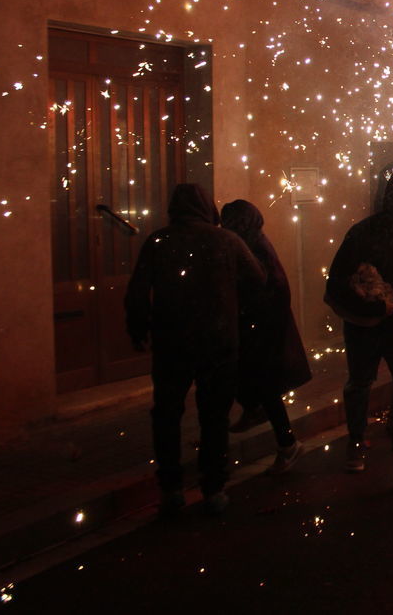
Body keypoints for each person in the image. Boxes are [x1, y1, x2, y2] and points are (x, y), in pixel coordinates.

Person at [125, 183, 265, 516]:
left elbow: (137, 291)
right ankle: (213, 487)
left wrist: (138, 328)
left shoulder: (159, 242)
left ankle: (171, 488)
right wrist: (237, 313)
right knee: (214, 416)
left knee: (167, 415)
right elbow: (257, 281)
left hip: (171, 340)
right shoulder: (226, 241)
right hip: (218, 340)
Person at [324, 173, 393, 499]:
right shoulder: (364, 234)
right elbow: (336, 283)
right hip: (364, 325)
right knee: (360, 383)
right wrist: (371, 306)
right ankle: (356, 441)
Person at [220, 199, 312, 475]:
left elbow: (270, 286)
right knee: (255, 379)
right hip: (256, 325)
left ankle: (287, 442)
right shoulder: (251, 242)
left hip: (262, 327)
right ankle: (255, 411)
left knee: (266, 384)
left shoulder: (254, 246)